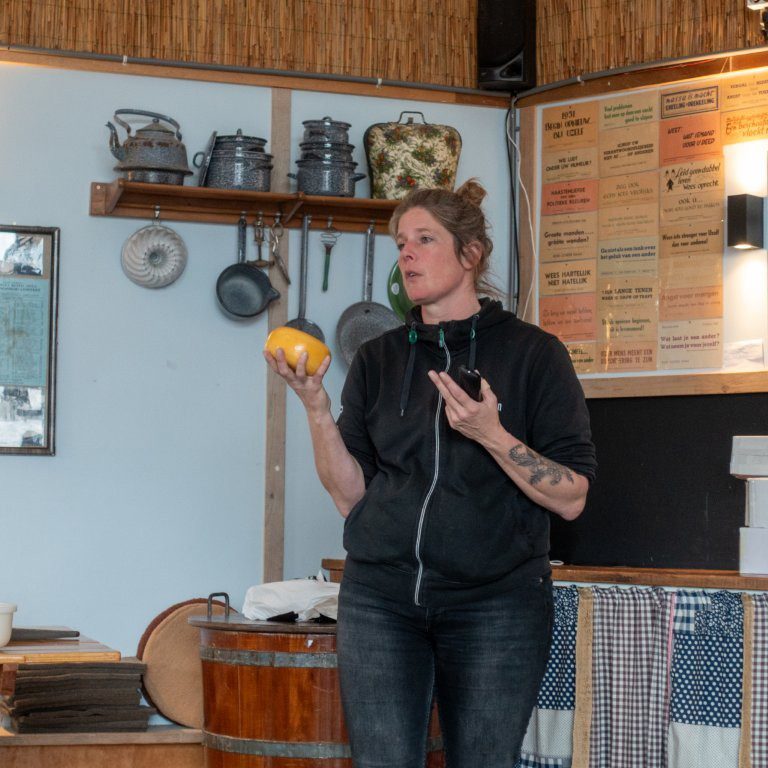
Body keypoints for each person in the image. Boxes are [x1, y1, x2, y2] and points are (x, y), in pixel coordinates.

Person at [264, 179, 597, 768]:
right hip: (380, 601)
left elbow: (572, 497)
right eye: (400, 243)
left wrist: (489, 433)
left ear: (470, 254)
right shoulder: (378, 358)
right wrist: (315, 406)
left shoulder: (535, 355)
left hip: (496, 604)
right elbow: (350, 497)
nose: (407, 255)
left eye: (424, 239)